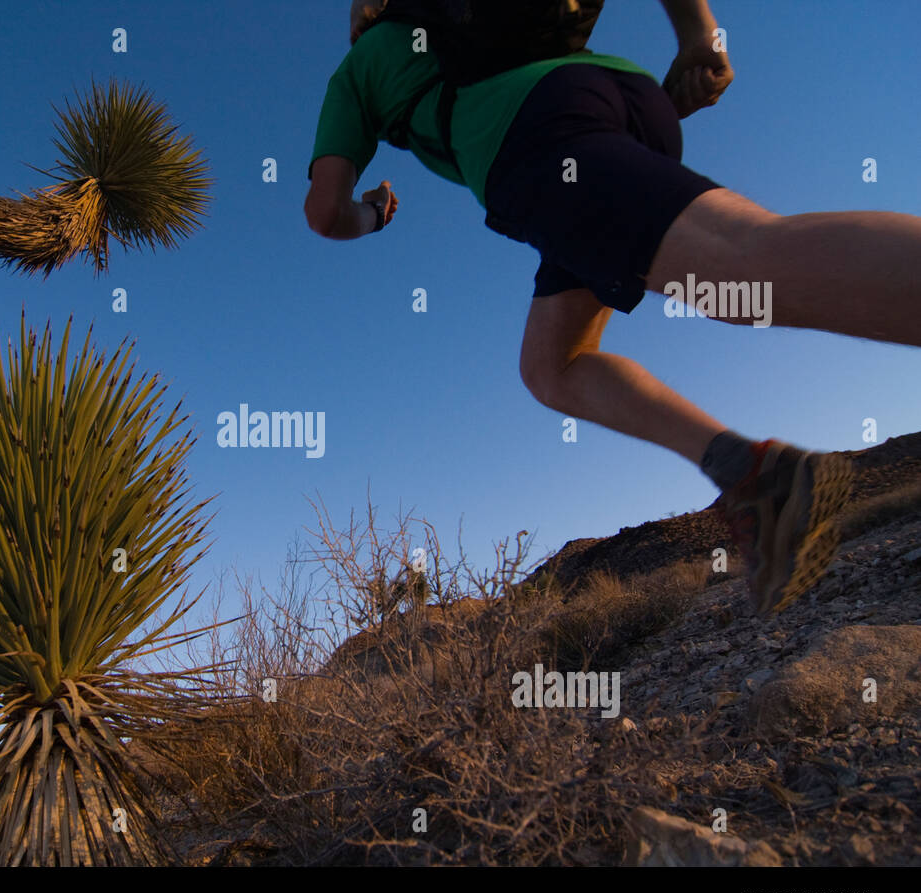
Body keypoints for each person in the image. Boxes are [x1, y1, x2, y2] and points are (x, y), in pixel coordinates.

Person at [305, 0, 921, 616]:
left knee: (742, 265)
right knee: (552, 366)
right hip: (625, 99)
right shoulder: (457, 19)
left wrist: (377, 215)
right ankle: (759, 478)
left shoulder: (356, 72)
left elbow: (326, 213)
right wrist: (700, 38)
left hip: (533, 140)